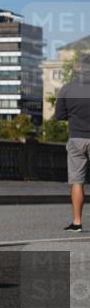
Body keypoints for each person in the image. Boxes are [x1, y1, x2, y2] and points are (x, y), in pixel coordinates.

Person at [55, 53, 90, 232]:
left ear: (78, 68)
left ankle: (77, 222)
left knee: (77, 181)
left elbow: (59, 116)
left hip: (77, 138)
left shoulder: (68, 89)